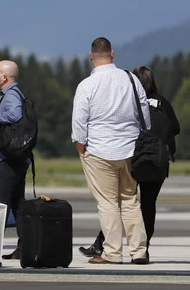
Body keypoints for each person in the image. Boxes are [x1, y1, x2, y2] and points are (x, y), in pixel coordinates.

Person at [79, 65, 180, 261]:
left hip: (133, 157)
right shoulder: (163, 103)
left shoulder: (132, 101)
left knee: (118, 202)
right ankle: (143, 249)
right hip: (157, 162)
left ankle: (102, 245)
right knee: (147, 205)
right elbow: (175, 127)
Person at [72, 37, 149, 265]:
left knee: (107, 203)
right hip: (129, 149)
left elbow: (79, 122)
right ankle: (139, 251)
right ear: (112, 54)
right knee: (130, 201)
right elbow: (143, 113)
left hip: (99, 150)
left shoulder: (87, 85)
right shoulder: (131, 79)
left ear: (91, 56)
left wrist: (80, 148)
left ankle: (113, 253)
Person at [0, 60, 30, 260]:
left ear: (4, 77)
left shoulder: (11, 95)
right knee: (17, 204)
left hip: (9, 159)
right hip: (18, 158)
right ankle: (24, 247)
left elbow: (15, 115)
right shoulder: (16, 93)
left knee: (0, 204)